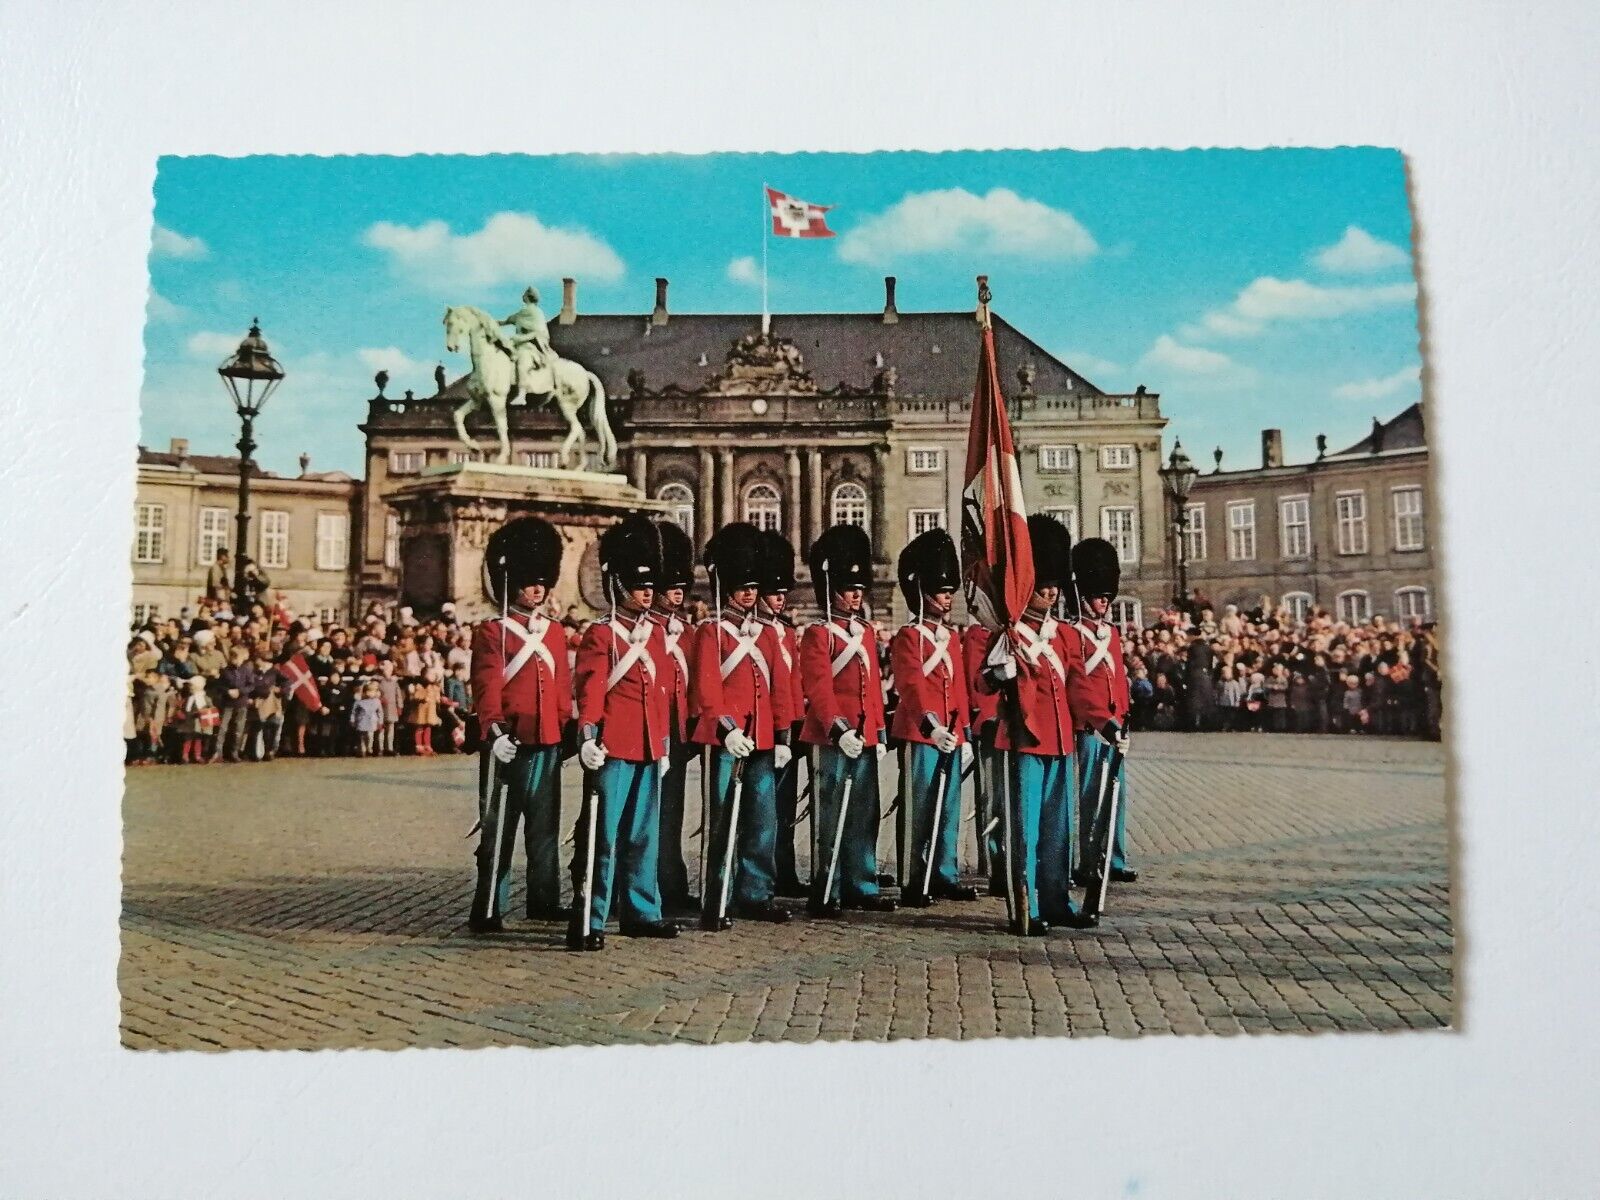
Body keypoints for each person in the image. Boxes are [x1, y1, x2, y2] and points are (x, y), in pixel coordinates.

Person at [569, 515, 678, 950]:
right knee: (604, 836)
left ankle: (641, 911)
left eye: (650, 586)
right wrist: (588, 736)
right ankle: (591, 917)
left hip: (650, 743)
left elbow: (661, 693)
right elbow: (591, 689)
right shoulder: (602, 634)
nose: (648, 593)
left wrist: (664, 743)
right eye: (639, 586)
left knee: (642, 835)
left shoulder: (654, 634)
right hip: (613, 745)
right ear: (618, 586)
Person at [982, 514, 1086, 934]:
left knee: (1058, 828)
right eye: (1043, 583)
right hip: (1024, 737)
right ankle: (1024, 906)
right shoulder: (1009, 634)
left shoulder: (1063, 635)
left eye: (1054, 584)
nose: (1051, 591)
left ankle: (1056, 898)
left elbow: (1077, 685)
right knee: (1024, 829)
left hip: (1060, 739)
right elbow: (984, 681)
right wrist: (1000, 673)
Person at [469, 517, 574, 933]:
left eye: (543, 582)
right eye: (531, 582)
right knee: (497, 828)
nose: (539, 589)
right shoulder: (493, 631)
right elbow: (486, 687)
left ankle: (543, 900)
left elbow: (562, 690)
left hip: (546, 741)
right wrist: (494, 732)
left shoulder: (555, 632)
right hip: (508, 743)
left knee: (544, 830)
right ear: (512, 582)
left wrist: (566, 730)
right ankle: (488, 905)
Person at [692, 521, 796, 930]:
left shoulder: (769, 635)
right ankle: (718, 893)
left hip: (764, 740)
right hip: (726, 740)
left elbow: (779, 689)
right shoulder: (711, 632)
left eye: (752, 586)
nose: (749, 593)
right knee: (723, 820)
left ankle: (756, 892)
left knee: (761, 822)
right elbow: (706, 689)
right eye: (741, 586)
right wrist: (727, 729)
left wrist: (783, 735)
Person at [799, 523, 894, 916]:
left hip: (866, 734)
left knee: (864, 812)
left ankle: (861, 880)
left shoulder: (866, 632)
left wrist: (880, 730)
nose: (855, 595)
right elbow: (819, 689)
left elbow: (872, 686)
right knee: (831, 812)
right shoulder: (819, 634)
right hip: (832, 737)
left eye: (858, 589)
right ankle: (829, 884)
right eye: (848, 589)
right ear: (831, 590)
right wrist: (838, 729)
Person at [889, 528, 976, 908]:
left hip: (951, 735)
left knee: (949, 807)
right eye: (942, 591)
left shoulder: (950, 637)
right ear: (923, 591)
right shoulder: (910, 637)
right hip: (922, 733)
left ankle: (943, 873)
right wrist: (931, 725)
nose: (948, 598)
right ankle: (914, 877)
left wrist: (965, 734)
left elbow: (958, 689)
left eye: (949, 591)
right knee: (919, 806)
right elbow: (910, 687)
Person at [1065, 535, 1137, 888]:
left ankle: (1114, 857)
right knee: (1091, 796)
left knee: (1116, 795)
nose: (1104, 604)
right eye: (1098, 597)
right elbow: (1078, 685)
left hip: (1114, 727)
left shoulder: (1110, 634)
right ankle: (1089, 860)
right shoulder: (1071, 633)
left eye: (1107, 598)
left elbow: (1117, 680)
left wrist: (1122, 717)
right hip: (1089, 727)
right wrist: (1102, 721)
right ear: (1083, 596)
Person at [648, 519, 698, 915]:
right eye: (670, 588)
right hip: (645, 728)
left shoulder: (686, 632)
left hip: (676, 730)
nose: (677, 594)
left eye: (681, 588)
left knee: (671, 812)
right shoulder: (641, 630)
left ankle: (670, 883)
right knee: (642, 813)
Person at [756, 529, 808, 900]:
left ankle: (784, 867)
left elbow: (792, 682)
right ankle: (762, 873)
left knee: (785, 808)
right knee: (761, 811)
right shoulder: (753, 632)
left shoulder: (786, 633)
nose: (779, 599)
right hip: (760, 728)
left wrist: (792, 728)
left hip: (787, 729)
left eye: (781, 593)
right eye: (772, 593)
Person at [212, 644, 260, 763]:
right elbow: (219, 685)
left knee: (239, 729)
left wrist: (240, 691)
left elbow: (251, 685)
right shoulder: (225, 671)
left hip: (241, 702)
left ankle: (234, 752)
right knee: (222, 728)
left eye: (237, 656)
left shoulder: (247, 670)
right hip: (227, 703)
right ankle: (218, 752)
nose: (235, 659)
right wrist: (227, 691)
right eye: (233, 656)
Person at [351, 682, 384, 756]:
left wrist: (380, 722)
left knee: (370, 736)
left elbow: (380, 713)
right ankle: (363, 750)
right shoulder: (359, 702)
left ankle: (369, 748)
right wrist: (352, 720)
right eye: (369, 691)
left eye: (373, 691)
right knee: (362, 737)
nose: (371, 693)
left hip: (372, 721)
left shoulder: (377, 702)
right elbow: (354, 712)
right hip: (361, 721)